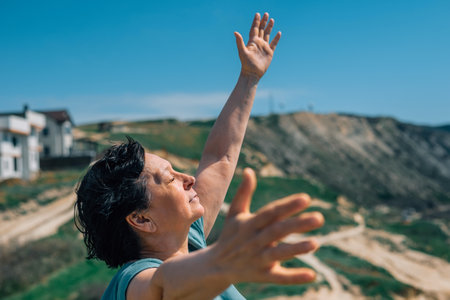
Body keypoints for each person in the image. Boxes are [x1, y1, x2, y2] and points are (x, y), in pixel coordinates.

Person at [75, 12, 324, 300]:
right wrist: (223, 260)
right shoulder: (134, 280)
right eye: (170, 179)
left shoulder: (189, 239)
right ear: (142, 219)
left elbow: (220, 157)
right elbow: (162, 286)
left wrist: (249, 77)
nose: (189, 179)